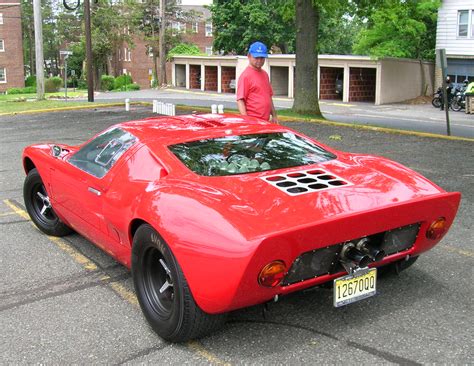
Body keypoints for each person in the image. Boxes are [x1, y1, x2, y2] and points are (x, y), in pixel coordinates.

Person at [237, 41, 278, 124]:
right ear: (249, 56)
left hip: (265, 121)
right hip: (253, 121)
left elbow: (269, 96)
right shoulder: (245, 76)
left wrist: (274, 115)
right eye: (256, 57)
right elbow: (240, 100)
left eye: (262, 58)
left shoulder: (265, 75)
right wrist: (246, 120)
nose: (259, 60)